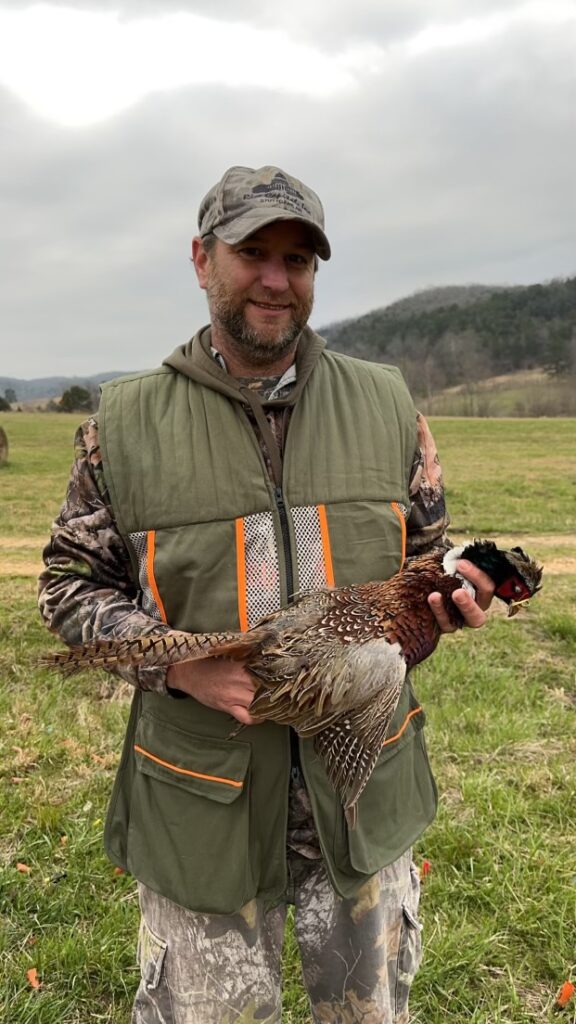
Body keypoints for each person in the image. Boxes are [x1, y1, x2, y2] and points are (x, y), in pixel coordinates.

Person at [39, 165, 493, 1024]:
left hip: (360, 806)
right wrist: (184, 669)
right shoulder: (125, 427)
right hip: (203, 808)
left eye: (299, 259)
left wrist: (451, 599)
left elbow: (425, 558)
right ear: (202, 259)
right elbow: (67, 589)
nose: (277, 280)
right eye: (254, 253)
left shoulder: (389, 405)